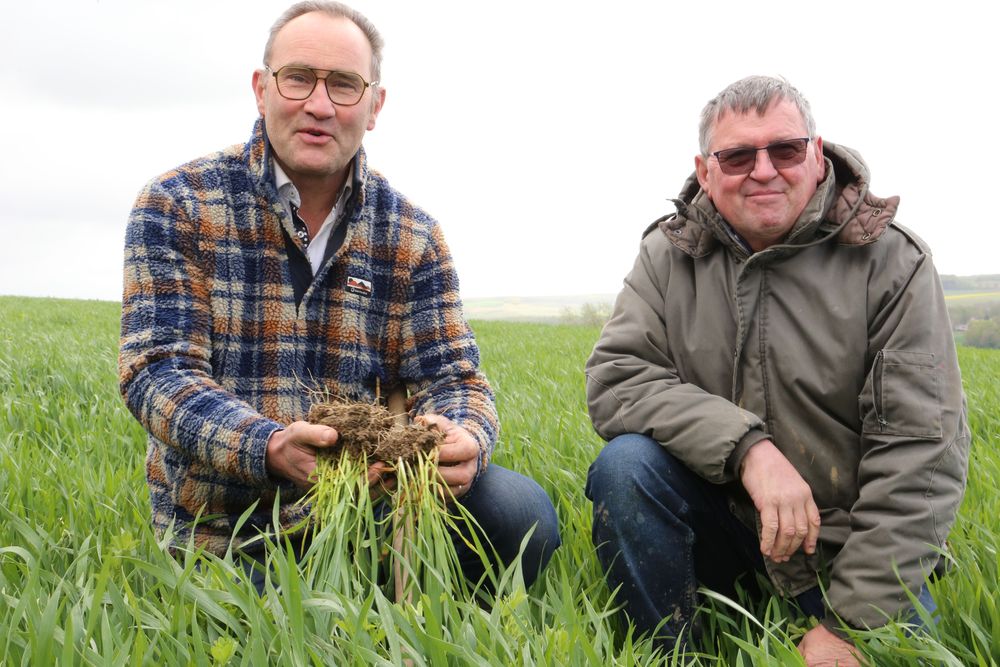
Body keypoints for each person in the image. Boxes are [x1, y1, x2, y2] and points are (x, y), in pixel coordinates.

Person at [119, 0, 558, 592]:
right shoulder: (179, 205)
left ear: (374, 106)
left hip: (373, 518)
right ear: (261, 89)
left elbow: (456, 378)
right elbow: (157, 373)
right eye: (298, 77)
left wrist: (462, 436)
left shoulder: (412, 234)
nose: (319, 105)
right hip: (227, 527)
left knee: (517, 510)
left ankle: (426, 621)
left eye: (345, 85)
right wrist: (267, 445)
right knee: (270, 632)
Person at [584, 75, 969, 665]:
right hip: (726, 524)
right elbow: (617, 378)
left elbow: (921, 453)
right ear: (706, 170)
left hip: (846, 545)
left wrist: (849, 625)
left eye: (784, 150)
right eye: (737, 156)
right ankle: (662, 652)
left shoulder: (893, 263)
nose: (763, 170)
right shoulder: (668, 254)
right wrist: (748, 451)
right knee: (626, 467)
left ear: (816, 156)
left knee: (902, 650)